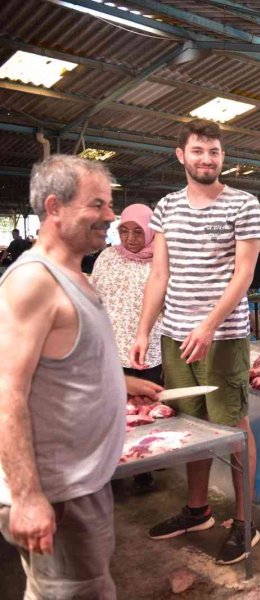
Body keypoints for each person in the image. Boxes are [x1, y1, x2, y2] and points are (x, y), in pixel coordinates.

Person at [131, 119, 260, 566]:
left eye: (215, 152)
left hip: (222, 337)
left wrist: (208, 325)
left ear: (222, 157)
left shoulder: (243, 204)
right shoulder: (166, 207)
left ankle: (246, 523)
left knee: (232, 427)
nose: (208, 159)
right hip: (174, 335)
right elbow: (159, 274)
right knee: (191, 427)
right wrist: (144, 330)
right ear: (180, 155)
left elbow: (243, 274)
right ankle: (197, 510)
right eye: (199, 151)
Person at [0, 155, 125, 598]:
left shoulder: (74, 272)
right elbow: (6, 393)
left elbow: (63, 362)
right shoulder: (33, 282)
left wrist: (123, 385)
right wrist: (28, 497)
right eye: (97, 205)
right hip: (56, 489)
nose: (110, 215)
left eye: (109, 204)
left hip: (81, 482)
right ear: (54, 208)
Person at [91, 202, 166, 494]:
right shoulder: (107, 257)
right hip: (108, 348)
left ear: (150, 232)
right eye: (125, 230)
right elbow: (94, 294)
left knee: (143, 412)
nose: (131, 238)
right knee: (110, 411)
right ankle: (112, 467)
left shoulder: (160, 260)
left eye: (138, 231)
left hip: (146, 351)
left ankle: (143, 468)